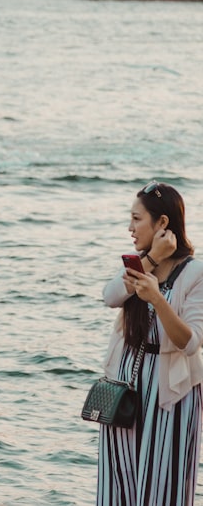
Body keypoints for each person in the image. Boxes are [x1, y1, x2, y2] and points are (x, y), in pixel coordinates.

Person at [99, 181, 203, 505]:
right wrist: (152, 259)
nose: (130, 228)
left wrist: (157, 299)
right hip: (125, 391)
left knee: (161, 489)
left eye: (137, 219)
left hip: (169, 395)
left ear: (162, 223)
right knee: (119, 485)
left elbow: (191, 342)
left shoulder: (195, 272)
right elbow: (111, 296)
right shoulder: (139, 263)